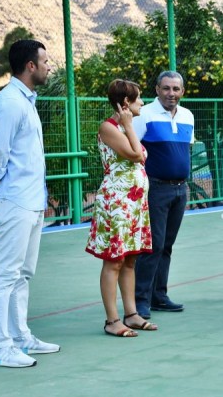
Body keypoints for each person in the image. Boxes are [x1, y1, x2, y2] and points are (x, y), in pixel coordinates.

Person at [0, 39, 59, 368]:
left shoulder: (26, 100)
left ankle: (20, 337)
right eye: (45, 61)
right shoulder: (9, 101)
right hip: (15, 199)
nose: (49, 67)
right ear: (31, 66)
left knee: (23, 273)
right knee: (5, 273)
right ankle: (0, 346)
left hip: (30, 199)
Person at [85, 79, 156, 337]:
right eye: (139, 98)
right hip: (116, 203)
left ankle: (132, 314)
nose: (142, 103)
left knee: (130, 260)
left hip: (134, 203)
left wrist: (130, 126)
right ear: (126, 102)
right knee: (114, 261)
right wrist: (127, 125)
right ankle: (112, 320)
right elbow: (136, 155)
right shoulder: (109, 127)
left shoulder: (128, 128)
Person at [132, 71, 194, 319]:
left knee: (166, 245)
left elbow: (184, 150)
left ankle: (159, 295)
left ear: (182, 91)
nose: (171, 93)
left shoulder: (188, 116)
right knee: (152, 245)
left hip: (180, 190)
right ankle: (141, 300)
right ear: (157, 89)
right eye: (166, 88)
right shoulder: (144, 114)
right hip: (155, 189)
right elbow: (131, 149)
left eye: (176, 89)